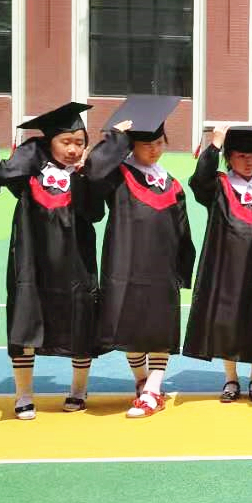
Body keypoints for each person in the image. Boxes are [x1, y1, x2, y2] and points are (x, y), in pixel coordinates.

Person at [86, 95, 196, 419]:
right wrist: (115, 140)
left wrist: (182, 269)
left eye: (159, 143)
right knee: (130, 327)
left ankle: (152, 391)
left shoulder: (171, 184)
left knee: (160, 328)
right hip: (125, 264)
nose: (154, 150)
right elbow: (93, 173)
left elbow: (183, 230)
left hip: (162, 268)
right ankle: (142, 381)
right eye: (146, 144)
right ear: (132, 145)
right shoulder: (118, 176)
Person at [0, 102, 105, 418]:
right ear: (49, 143)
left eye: (79, 143)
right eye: (65, 141)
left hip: (76, 264)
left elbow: (95, 213)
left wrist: (84, 175)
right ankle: (23, 394)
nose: (73, 149)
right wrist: (34, 149)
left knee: (81, 323)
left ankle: (78, 389)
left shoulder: (85, 177)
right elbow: (5, 173)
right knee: (25, 322)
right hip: (33, 264)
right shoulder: (30, 176)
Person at [183, 124, 252, 404]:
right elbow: (199, 179)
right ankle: (231, 378)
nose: (249, 161)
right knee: (227, 322)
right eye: (241, 156)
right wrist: (215, 144)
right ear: (229, 157)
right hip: (226, 270)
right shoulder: (218, 188)